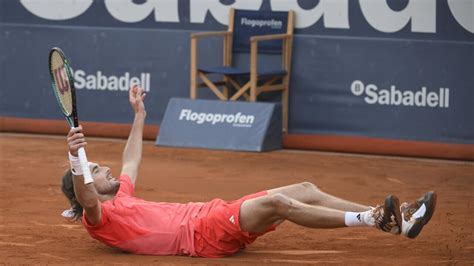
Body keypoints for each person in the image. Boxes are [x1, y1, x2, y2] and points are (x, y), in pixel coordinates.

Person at [60, 85, 437, 257]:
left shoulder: (121, 194)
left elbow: (131, 160)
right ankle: (373, 218)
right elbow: (86, 196)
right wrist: (78, 159)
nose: (104, 167)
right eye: (96, 168)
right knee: (278, 202)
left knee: (305, 186)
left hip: (212, 212)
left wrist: (140, 116)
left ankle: (397, 222)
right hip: (203, 234)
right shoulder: (100, 217)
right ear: (87, 180)